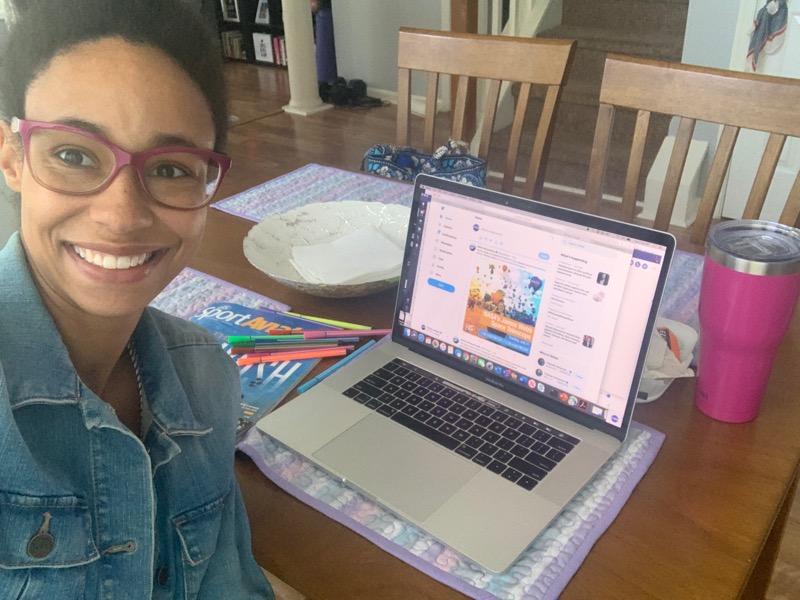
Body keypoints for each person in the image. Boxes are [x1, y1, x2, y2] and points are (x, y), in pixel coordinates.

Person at [0, 1, 274, 598]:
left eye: (172, 169)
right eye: (73, 155)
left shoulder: (206, 379)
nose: (121, 216)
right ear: (12, 156)